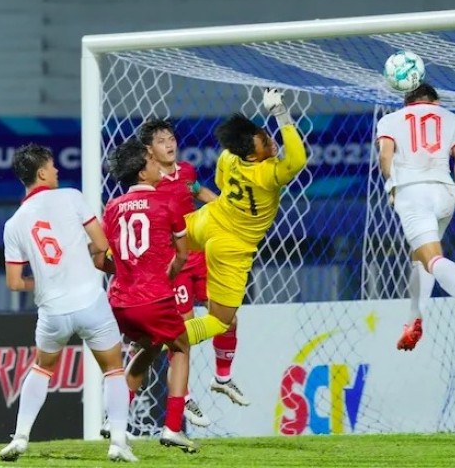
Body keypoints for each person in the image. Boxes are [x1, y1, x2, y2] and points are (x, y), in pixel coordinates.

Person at [0, 143, 136, 462]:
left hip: (53, 312)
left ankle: (20, 438)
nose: (57, 170)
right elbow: (101, 246)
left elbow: (15, 282)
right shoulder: (72, 197)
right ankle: (118, 442)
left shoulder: (14, 224)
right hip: (91, 302)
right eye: (53, 165)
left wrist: (45, 280)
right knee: (114, 370)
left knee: (41, 368)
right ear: (42, 172)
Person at [138, 119, 250, 417]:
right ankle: (183, 396)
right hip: (174, 261)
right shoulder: (147, 180)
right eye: (162, 140)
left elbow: (200, 192)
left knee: (228, 318)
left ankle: (222, 378)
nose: (170, 143)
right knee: (181, 332)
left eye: (171, 137)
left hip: (202, 254)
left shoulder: (186, 171)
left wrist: (228, 214)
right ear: (149, 150)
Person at [180, 88, 307, 346]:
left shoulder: (229, 156)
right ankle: (159, 341)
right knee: (220, 321)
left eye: (265, 133)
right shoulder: (267, 174)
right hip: (231, 247)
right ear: (251, 155)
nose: (271, 141)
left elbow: (220, 183)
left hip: (207, 220)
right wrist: (281, 114)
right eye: (264, 141)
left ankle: (110, 255)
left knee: (160, 237)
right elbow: (297, 159)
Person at [95, 137, 198, 453]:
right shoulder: (167, 203)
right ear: (142, 172)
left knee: (151, 346)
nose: (159, 165)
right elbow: (182, 256)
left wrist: (128, 271)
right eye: (152, 162)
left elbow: (98, 258)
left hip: (120, 303)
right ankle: (172, 427)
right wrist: (160, 277)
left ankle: (112, 421)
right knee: (180, 347)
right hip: (153, 298)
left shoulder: (111, 208)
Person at [375, 83, 455, 351]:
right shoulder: (453, 118)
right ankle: (413, 321)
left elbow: (385, 155)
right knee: (421, 257)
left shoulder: (390, 120)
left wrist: (392, 184)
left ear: (406, 101)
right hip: (445, 192)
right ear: (434, 101)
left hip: (414, 193)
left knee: (433, 258)